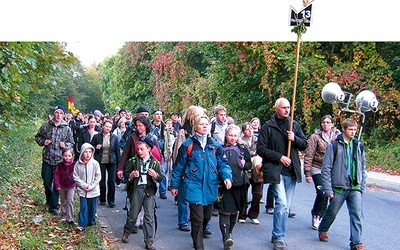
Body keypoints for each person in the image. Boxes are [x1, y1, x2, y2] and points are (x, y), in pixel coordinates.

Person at [170, 115, 232, 250]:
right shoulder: (188, 145)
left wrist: (227, 177)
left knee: (206, 217)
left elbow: (223, 164)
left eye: (206, 124)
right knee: (197, 217)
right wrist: (174, 185)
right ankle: (198, 245)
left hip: (210, 185)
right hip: (193, 184)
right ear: (195, 127)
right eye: (201, 124)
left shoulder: (215, 145)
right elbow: (178, 166)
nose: (204, 126)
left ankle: (199, 232)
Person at [257, 97, 307, 250]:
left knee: (285, 207)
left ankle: (276, 234)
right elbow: (261, 149)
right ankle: (279, 237)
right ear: (276, 108)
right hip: (275, 170)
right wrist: (279, 157)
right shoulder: (268, 127)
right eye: (284, 107)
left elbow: (304, 144)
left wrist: (295, 138)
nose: (287, 110)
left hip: (291, 171)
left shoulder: (294, 125)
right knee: (282, 204)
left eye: (288, 107)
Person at [318, 118, 366, 250]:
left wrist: (362, 186)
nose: (353, 132)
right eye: (350, 129)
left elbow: (363, 167)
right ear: (344, 129)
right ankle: (323, 229)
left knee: (356, 214)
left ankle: (356, 242)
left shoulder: (358, 145)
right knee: (332, 212)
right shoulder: (333, 145)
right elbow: (326, 168)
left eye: (355, 129)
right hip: (338, 187)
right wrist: (328, 189)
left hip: (354, 186)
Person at [117, 115, 161, 233]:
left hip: (148, 171)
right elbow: (125, 153)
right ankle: (134, 220)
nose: (138, 128)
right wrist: (120, 169)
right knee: (133, 194)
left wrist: (156, 171)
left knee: (147, 194)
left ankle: (142, 219)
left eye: (140, 125)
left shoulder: (152, 138)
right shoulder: (132, 137)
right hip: (134, 169)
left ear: (146, 126)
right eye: (136, 126)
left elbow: (157, 155)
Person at [121, 136, 163, 250]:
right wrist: (131, 175)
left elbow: (161, 177)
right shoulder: (134, 161)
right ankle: (127, 232)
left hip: (149, 190)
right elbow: (126, 174)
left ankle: (149, 241)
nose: (139, 151)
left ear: (149, 149)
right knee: (133, 214)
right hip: (137, 189)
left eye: (142, 149)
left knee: (149, 216)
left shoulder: (155, 163)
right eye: (138, 149)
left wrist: (155, 175)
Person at [35, 105, 74, 215]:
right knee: (47, 183)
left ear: (63, 115)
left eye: (61, 113)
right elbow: (38, 137)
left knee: (57, 184)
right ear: (54, 114)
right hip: (47, 159)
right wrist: (43, 142)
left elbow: (71, 143)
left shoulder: (66, 128)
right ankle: (50, 199)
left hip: (60, 161)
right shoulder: (46, 126)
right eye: (57, 112)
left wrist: (65, 145)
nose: (59, 115)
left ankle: (54, 206)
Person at [171, 105, 205, 233]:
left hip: (199, 169)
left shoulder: (204, 130)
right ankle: (183, 221)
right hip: (186, 168)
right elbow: (178, 153)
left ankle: (197, 220)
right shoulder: (183, 132)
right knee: (183, 196)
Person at [304, 115, 341, 230]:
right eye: (323, 122)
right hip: (317, 167)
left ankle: (322, 215)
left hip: (331, 169)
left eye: (328, 122)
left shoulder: (338, 137)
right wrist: (308, 172)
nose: (325, 124)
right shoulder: (315, 137)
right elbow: (309, 154)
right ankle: (316, 214)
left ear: (332, 124)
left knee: (329, 194)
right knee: (322, 192)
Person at [218, 124, 251, 250]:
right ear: (226, 135)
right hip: (224, 185)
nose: (232, 138)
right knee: (225, 211)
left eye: (235, 136)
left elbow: (249, 165)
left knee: (235, 212)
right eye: (230, 135)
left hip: (239, 184)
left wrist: (245, 164)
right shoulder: (220, 148)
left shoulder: (243, 149)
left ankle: (230, 233)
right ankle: (225, 236)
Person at [91, 119, 120, 208]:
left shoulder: (114, 137)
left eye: (110, 127)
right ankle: (102, 199)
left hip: (112, 161)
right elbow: (90, 148)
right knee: (101, 180)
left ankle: (111, 200)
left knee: (111, 181)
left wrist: (119, 165)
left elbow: (117, 151)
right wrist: (96, 147)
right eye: (106, 126)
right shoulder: (97, 136)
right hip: (100, 160)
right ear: (103, 126)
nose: (108, 128)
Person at [73, 143, 101, 234]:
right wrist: (84, 185)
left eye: (90, 152)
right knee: (84, 207)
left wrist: (92, 186)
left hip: (94, 191)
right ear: (82, 153)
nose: (88, 154)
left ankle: (91, 221)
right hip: (82, 191)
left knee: (92, 208)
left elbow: (98, 177)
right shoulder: (77, 164)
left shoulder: (95, 164)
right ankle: (82, 225)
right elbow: (75, 177)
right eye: (86, 152)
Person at [240, 122, 262, 225]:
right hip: (246, 168)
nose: (250, 131)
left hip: (257, 168)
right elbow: (243, 153)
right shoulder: (240, 141)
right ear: (243, 131)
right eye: (247, 129)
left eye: (251, 129)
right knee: (244, 192)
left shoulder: (258, 140)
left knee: (257, 193)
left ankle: (253, 214)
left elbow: (261, 151)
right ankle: (242, 214)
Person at [54, 147, 76, 224]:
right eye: (65, 156)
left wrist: (76, 182)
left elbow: (77, 174)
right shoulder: (60, 165)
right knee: (63, 201)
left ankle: (70, 217)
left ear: (72, 156)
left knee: (69, 201)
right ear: (62, 156)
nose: (67, 157)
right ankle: (63, 215)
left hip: (71, 185)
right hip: (62, 186)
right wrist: (57, 185)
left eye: (69, 156)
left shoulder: (74, 165)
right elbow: (56, 175)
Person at [150, 109, 169, 199]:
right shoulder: (149, 126)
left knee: (162, 172)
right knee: (150, 172)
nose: (159, 116)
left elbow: (168, 141)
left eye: (160, 114)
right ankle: (151, 191)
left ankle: (162, 191)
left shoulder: (165, 127)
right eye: (157, 114)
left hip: (162, 153)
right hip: (151, 152)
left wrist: (168, 153)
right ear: (153, 116)